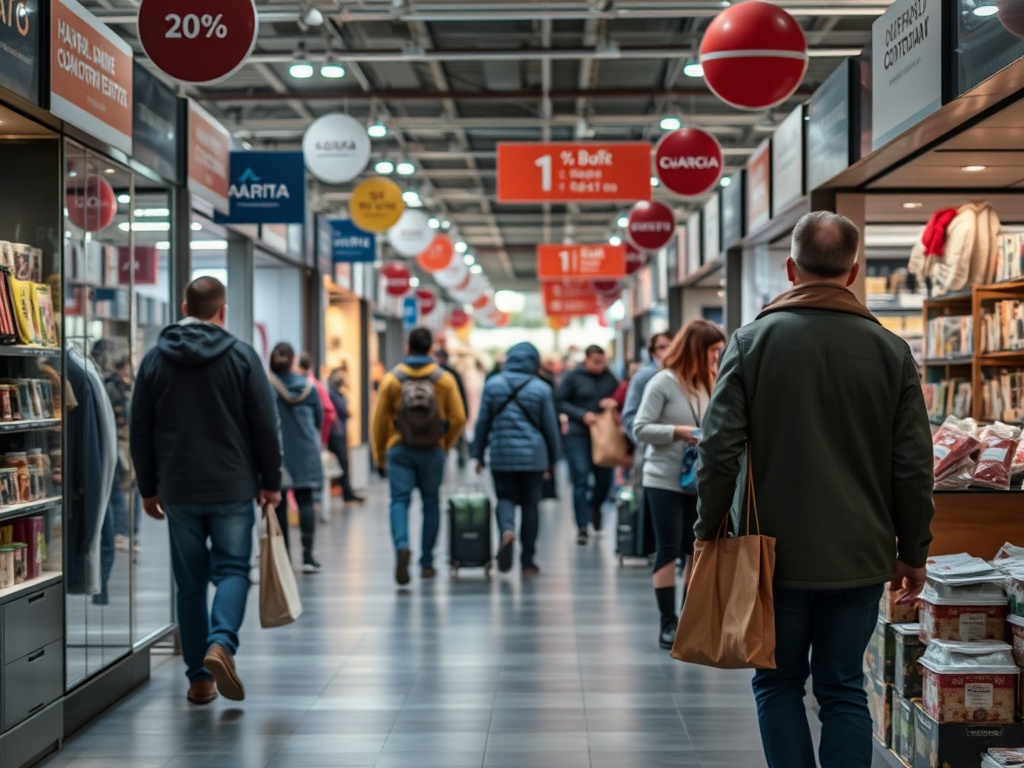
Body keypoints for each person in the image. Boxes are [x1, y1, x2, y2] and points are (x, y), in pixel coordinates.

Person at [694, 211, 934, 768]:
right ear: (854, 272)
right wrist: (913, 551)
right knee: (844, 687)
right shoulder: (891, 351)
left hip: (770, 552)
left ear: (790, 268)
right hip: (861, 551)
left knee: (777, 685)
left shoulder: (752, 341)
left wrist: (709, 531)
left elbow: (717, 448)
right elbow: (913, 465)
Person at [130, 277, 282, 706]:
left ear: (183, 306)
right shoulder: (242, 357)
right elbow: (265, 426)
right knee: (233, 570)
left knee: (190, 583)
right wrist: (271, 481)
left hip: (178, 488)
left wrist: (148, 486)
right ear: (223, 311)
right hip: (233, 485)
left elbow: (140, 428)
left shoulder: (156, 359)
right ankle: (221, 644)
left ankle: (199, 679)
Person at [632, 321, 725, 650]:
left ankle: (688, 619)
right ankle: (666, 623)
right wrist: (679, 431)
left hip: (699, 479)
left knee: (694, 549)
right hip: (663, 478)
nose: (717, 356)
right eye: (713, 350)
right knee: (669, 547)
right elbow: (640, 428)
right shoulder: (663, 382)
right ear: (697, 349)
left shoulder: (709, 382)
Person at [371, 327, 466, 585]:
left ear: (408, 347)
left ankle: (402, 546)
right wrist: (445, 443)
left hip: (400, 448)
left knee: (399, 501)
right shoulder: (444, 379)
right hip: (433, 450)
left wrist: (380, 454)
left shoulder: (393, 379)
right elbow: (459, 417)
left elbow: (378, 421)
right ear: (430, 348)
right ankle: (427, 562)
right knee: (431, 503)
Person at [472, 342, 561, 575]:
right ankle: (528, 561)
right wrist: (554, 459)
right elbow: (550, 427)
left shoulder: (492, 385)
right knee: (531, 504)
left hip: (501, 453)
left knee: (504, 497)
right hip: (534, 456)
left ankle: (507, 531)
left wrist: (477, 454)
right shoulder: (541, 388)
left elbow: (483, 422)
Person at [268, 343, 324, 574]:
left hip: (279, 451)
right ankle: (309, 556)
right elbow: (320, 419)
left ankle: (285, 558)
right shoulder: (309, 387)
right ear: (293, 361)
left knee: (279, 503)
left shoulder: (268, 386)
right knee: (305, 501)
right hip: (306, 450)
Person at [554, 344, 619, 544]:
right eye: (596, 362)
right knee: (580, 479)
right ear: (587, 360)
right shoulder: (573, 377)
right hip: (578, 435)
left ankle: (594, 506)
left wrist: (613, 403)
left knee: (604, 481)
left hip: (604, 434)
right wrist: (581, 415)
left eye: (603, 362)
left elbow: (620, 397)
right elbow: (559, 401)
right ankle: (582, 526)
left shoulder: (610, 377)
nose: (600, 366)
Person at [622, 333, 673, 441]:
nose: (668, 351)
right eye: (662, 347)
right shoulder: (644, 376)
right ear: (653, 352)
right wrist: (647, 444)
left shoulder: (683, 375)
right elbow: (629, 417)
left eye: (671, 346)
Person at [326, 367, 365, 503]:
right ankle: (346, 492)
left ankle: (347, 491)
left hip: (338, 431)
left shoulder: (335, 392)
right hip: (335, 432)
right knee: (343, 462)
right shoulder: (331, 392)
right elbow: (341, 409)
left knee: (344, 463)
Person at [434, 346, 469, 468]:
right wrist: (465, 411)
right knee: (458, 435)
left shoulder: (439, 375)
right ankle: (460, 457)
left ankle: (452, 456)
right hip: (452, 412)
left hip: (440, 417)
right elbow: (462, 396)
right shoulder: (452, 374)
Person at [297, 351, 337, 449]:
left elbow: (329, 412)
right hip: (312, 440)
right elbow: (329, 412)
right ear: (311, 367)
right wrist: (322, 438)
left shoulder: (313, 387)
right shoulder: (317, 387)